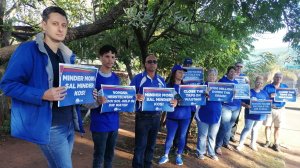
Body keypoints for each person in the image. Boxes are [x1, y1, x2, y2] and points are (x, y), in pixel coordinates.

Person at [0, 6, 84, 168]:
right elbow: (8, 85)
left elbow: (71, 90)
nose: (60, 29)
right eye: (55, 24)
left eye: (64, 25)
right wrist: (42, 94)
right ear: (44, 25)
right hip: (50, 127)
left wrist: (87, 94)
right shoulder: (28, 50)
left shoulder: (67, 56)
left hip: (68, 124)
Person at [130, 54, 177, 168]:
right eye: (149, 61)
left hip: (156, 117)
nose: (152, 64)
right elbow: (129, 94)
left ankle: (148, 165)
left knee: (151, 145)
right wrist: (135, 96)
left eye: (154, 62)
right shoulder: (138, 78)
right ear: (145, 64)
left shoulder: (161, 80)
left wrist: (175, 101)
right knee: (140, 145)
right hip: (142, 117)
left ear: (157, 64)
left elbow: (169, 95)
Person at [88, 45, 120, 168]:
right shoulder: (93, 77)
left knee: (110, 156)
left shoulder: (116, 78)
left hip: (114, 123)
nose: (110, 60)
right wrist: (97, 102)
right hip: (99, 124)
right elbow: (86, 103)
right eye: (107, 56)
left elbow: (119, 99)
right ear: (100, 57)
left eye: (113, 57)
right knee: (99, 156)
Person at [158, 64, 191, 166]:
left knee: (182, 137)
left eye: (183, 72)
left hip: (185, 116)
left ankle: (179, 156)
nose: (182, 74)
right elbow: (164, 101)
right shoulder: (168, 86)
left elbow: (192, 98)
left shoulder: (186, 87)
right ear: (174, 73)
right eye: (180, 72)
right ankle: (166, 155)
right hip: (172, 117)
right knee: (170, 137)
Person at [236, 76, 269, 151]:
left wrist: (270, 107)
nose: (259, 84)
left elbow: (267, 103)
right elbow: (241, 101)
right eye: (258, 82)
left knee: (255, 129)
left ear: (262, 84)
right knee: (247, 128)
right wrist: (246, 105)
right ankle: (241, 144)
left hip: (260, 116)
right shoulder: (249, 92)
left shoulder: (264, 93)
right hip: (249, 115)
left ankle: (253, 144)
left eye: (261, 83)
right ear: (255, 82)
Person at [195, 68, 221, 161]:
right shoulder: (202, 85)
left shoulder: (220, 87)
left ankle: (211, 153)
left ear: (216, 76)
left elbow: (226, 99)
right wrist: (203, 94)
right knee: (202, 135)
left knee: (212, 136)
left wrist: (232, 94)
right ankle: (200, 152)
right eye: (210, 75)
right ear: (207, 76)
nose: (212, 77)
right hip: (203, 114)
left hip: (216, 115)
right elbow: (196, 99)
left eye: (214, 75)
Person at [215, 66, 241, 155]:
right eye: (231, 71)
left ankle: (226, 143)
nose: (233, 73)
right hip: (226, 107)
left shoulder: (237, 82)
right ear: (228, 72)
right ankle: (218, 146)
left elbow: (239, 95)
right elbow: (217, 94)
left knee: (230, 126)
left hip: (236, 107)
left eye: (234, 72)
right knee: (224, 126)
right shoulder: (222, 81)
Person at [263, 72, 288, 152]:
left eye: (280, 77)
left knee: (277, 127)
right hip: (270, 108)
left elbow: (289, 96)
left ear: (282, 79)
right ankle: (267, 141)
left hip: (280, 109)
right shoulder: (267, 87)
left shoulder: (284, 86)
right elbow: (263, 96)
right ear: (274, 78)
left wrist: (294, 94)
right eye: (277, 77)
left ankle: (276, 144)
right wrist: (270, 96)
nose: (278, 79)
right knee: (268, 126)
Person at [230, 62, 249, 143]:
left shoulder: (244, 77)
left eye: (241, 67)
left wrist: (248, 83)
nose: (239, 68)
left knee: (235, 119)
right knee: (225, 119)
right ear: (235, 66)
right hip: (228, 102)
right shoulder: (230, 74)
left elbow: (245, 91)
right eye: (237, 66)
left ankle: (231, 135)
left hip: (238, 102)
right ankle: (223, 135)